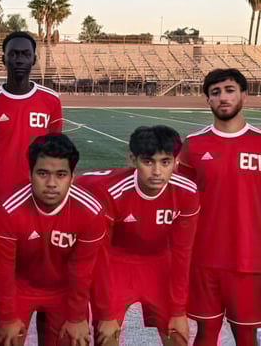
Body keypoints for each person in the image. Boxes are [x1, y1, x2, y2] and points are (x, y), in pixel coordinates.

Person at [176, 69, 261, 345]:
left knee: (249, 337)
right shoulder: (194, 145)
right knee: (206, 334)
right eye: (215, 92)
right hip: (203, 259)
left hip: (246, 261)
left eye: (230, 90)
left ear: (243, 94)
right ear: (208, 100)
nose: (223, 97)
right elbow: (179, 203)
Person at [78, 126, 199, 346]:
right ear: (132, 160)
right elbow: (102, 254)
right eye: (148, 162)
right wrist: (105, 313)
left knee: (178, 335)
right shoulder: (112, 192)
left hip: (160, 265)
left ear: (176, 161)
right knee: (105, 336)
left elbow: (183, 252)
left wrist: (179, 310)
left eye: (165, 162)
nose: (157, 172)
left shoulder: (187, 191)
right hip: (116, 264)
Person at [0, 134, 105, 346]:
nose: (51, 183)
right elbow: (3, 269)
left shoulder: (91, 211)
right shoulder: (7, 209)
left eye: (61, 174)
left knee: (73, 338)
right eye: (42, 173)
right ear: (30, 173)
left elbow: (82, 270)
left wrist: (77, 317)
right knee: (7, 339)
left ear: (72, 176)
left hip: (64, 289)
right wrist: (7, 317)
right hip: (19, 286)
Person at [0, 31, 62, 202]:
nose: (19, 59)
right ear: (4, 60)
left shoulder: (51, 100)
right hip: (0, 194)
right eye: (13, 54)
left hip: (37, 194)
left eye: (25, 54)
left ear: (34, 60)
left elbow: (55, 149)